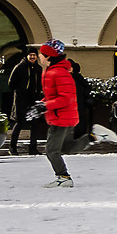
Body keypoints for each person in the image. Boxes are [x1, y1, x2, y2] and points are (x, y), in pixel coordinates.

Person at [38, 40, 86, 187]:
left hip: (61, 117)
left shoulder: (59, 73)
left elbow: (66, 98)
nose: (39, 56)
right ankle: (94, 136)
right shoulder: (52, 71)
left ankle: (63, 177)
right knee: (67, 147)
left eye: (41, 54)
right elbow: (52, 95)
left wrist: (46, 105)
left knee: (51, 150)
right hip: (61, 116)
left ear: (49, 56)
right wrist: (41, 104)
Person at [2, 48, 44, 155]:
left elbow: (40, 83)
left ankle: (33, 148)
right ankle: (12, 147)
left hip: (34, 99)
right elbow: (11, 83)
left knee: (34, 124)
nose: (32, 57)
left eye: (34, 55)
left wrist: (39, 94)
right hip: (21, 99)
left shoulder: (38, 69)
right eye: (31, 55)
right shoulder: (20, 67)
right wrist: (20, 91)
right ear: (27, 56)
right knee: (20, 123)